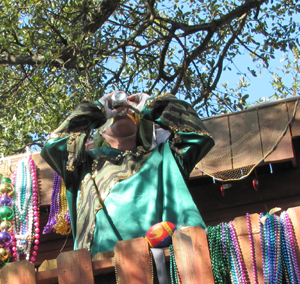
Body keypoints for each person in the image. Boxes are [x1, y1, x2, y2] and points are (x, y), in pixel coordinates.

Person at [41, 91, 214, 255]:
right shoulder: (82, 166)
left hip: (164, 264)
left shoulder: (165, 157)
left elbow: (198, 135)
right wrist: (98, 109)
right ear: (100, 130)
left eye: (130, 111)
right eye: (114, 112)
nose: (121, 113)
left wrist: (151, 105)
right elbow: (55, 144)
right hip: (100, 271)